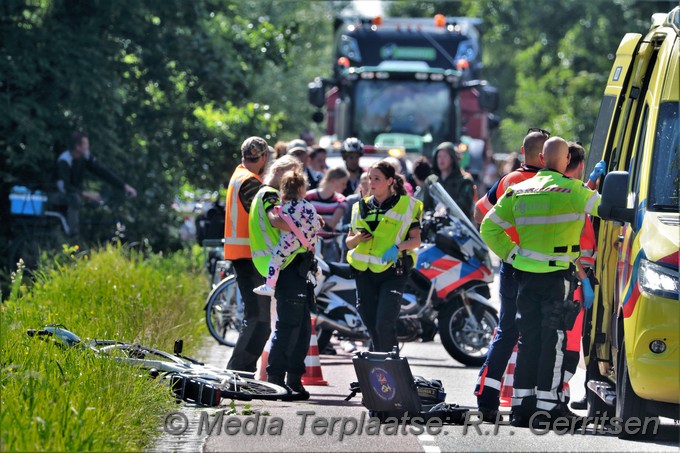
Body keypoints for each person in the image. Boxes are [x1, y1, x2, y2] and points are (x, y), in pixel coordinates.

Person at [480, 137, 602, 429]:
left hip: (524, 277)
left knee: (529, 339)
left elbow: (488, 226)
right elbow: (607, 209)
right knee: (554, 340)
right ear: (566, 158)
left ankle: (522, 407)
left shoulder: (519, 189)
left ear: (542, 158)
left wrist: (511, 254)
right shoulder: (573, 190)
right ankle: (550, 407)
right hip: (556, 277)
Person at [472, 129, 548, 422]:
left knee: (507, 331)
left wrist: (507, 240)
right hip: (542, 268)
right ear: (546, 156)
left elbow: (481, 213)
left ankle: (487, 397)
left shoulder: (509, 181)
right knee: (537, 334)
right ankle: (529, 404)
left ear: (522, 150)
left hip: (511, 264)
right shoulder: (552, 183)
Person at [249, 155, 315, 400]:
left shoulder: (271, 195)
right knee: (290, 326)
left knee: (300, 326)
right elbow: (276, 221)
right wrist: (309, 225)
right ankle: (278, 380)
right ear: (276, 170)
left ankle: (292, 380)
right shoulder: (269, 194)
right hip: (284, 265)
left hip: (288, 265)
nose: (290, 180)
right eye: (288, 173)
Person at [346, 161, 423, 352]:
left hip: (393, 271)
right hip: (364, 272)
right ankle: (379, 368)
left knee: (383, 323)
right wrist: (357, 238)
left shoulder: (406, 206)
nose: (371, 183)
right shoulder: (359, 207)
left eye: (377, 179)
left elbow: (416, 241)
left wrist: (398, 247)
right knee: (371, 324)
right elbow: (348, 243)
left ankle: (390, 368)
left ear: (390, 181)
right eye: (370, 178)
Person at [223, 136, 271, 373]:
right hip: (251, 258)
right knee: (259, 321)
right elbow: (266, 217)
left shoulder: (239, 175)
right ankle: (239, 372)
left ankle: (239, 371)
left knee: (257, 318)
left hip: (244, 255)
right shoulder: (251, 182)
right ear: (263, 158)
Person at [55, 132, 137, 237]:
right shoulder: (64, 160)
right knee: (75, 199)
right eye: (86, 144)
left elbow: (102, 172)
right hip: (57, 194)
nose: (88, 147)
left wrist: (124, 186)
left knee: (96, 199)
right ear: (78, 147)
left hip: (75, 193)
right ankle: (72, 235)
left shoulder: (85, 157)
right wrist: (88, 195)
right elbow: (64, 187)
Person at [253, 170, 321, 296]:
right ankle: (317, 271)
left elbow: (276, 221)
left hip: (289, 241)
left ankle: (269, 285)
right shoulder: (308, 206)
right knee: (309, 254)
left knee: (276, 259)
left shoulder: (282, 207)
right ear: (302, 189)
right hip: (309, 240)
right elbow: (316, 224)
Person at [422, 142, 475, 220]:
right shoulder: (431, 181)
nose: (441, 160)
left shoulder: (465, 181)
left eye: (445, 156)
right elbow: (425, 206)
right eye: (439, 156)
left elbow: (464, 205)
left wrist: (447, 209)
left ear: (452, 159)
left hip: (457, 226)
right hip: (435, 225)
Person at [305, 167, 349, 263]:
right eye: (343, 183)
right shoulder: (308, 196)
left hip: (329, 246)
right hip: (309, 245)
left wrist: (314, 220)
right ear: (333, 181)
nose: (345, 186)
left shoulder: (341, 200)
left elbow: (331, 225)